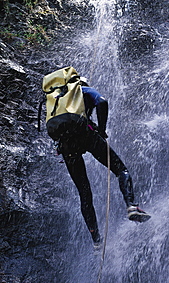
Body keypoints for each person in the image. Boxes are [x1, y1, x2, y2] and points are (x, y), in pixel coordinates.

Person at [56, 77, 150, 246]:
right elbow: (102, 101)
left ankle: (96, 241)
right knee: (121, 170)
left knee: (84, 194)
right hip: (86, 135)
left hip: (66, 146)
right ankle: (132, 206)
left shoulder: (57, 101)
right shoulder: (82, 91)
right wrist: (102, 129)